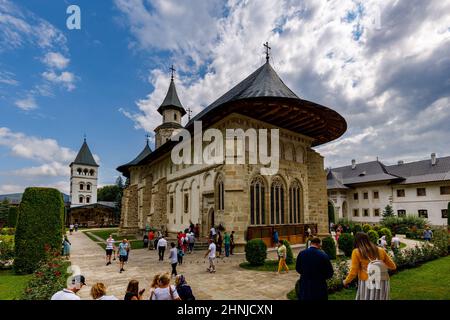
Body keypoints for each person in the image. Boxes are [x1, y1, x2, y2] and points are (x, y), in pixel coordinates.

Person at [343, 232, 397, 300]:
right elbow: (393, 266)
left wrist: (346, 281)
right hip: (383, 281)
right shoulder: (381, 250)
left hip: (367, 282)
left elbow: (353, 272)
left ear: (356, 241)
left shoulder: (357, 252)